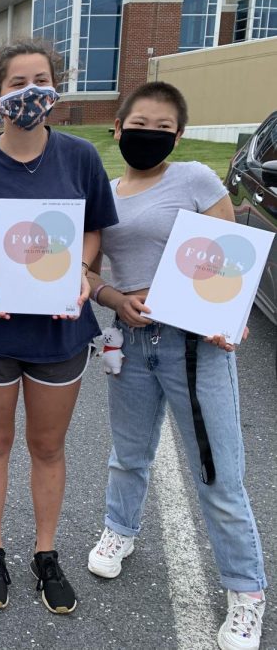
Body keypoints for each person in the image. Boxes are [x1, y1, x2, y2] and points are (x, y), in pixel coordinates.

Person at [85, 81, 267, 650]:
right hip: (132, 343)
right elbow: (86, 273)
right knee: (128, 454)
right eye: (140, 124)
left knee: (217, 472)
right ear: (118, 128)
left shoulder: (194, 179)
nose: (150, 135)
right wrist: (116, 299)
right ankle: (120, 531)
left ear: (179, 134)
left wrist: (230, 317)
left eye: (164, 128)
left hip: (195, 346)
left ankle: (246, 593)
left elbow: (233, 252)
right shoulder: (105, 193)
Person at [0, 38, 118, 615]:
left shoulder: (80, 158)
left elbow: (93, 228)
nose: (29, 92)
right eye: (17, 83)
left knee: (48, 446)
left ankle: (46, 552)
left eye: (39, 79)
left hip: (58, 333)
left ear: (55, 89)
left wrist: (86, 273)